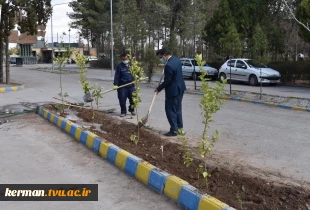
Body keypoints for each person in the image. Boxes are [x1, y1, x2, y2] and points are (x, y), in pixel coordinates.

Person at [155, 48, 186, 137]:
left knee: (170, 110)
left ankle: (174, 130)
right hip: (181, 89)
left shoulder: (168, 65)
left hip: (173, 91)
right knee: (178, 109)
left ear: (165, 55)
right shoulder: (176, 60)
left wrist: (158, 89)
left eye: (161, 57)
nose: (161, 59)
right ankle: (179, 128)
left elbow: (167, 81)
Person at [113, 52, 136, 117]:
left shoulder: (132, 65)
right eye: (123, 59)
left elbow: (136, 73)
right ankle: (123, 112)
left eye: (125, 59)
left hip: (131, 85)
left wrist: (139, 77)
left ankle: (131, 109)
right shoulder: (119, 66)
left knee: (133, 98)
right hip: (122, 86)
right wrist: (115, 84)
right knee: (122, 99)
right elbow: (117, 76)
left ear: (128, 58)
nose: (124, 61)